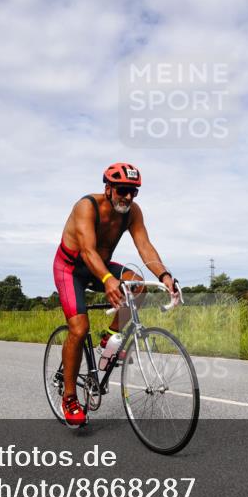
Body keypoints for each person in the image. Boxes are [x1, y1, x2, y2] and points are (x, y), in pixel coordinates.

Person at [52, 162, 177, 427]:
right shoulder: (86, 206)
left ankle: (109, 338)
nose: (128, 197)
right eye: (123, 190)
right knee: (78, 328)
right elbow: (87, 250)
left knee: (138, 286)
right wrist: (108, 280)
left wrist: (165, 276)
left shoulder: (132, 212)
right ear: (108, 188)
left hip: (102, 265)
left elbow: (145, 246)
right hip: (71, 268)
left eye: (134, 192)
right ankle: (70, 397)